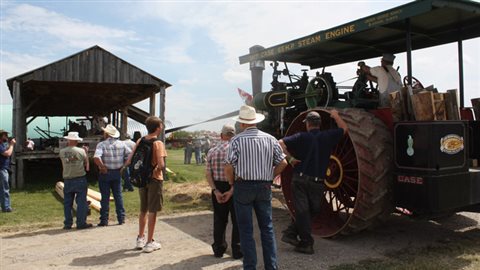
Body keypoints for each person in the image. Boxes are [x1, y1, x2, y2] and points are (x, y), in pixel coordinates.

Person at [225, 105, 288, 270]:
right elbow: (283, 162)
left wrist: (232, 183)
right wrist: (270, 176)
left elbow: (229, 167)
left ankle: (250, 266)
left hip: (243, 185)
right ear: (255, 122)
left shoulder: (236, 140)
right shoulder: (270, 139)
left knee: (246, 230)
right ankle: (271, 266)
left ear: (243, 123)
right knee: (267, 229)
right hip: (264, 186)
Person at [279, 110, 348, 254]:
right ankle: (306, 243)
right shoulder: (327, 136)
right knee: (305, 211)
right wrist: (336, 116)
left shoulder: (300, 137)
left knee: (312, 210)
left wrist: (289, 158)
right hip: (311, 181)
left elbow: (279, 143)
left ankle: (291, 233)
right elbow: (344, 129)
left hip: (304, 180)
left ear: (308, 124)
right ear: (319, 124)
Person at [127, 116, 167, 253]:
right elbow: (161, 165)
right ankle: (150, 242)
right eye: (161, 126)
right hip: (154, 180)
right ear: (157, 128)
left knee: (143, 209)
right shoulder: (158, 143)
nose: (162, 127)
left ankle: (140, 238)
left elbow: (130, 159)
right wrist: (156, 170)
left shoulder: (140, 140)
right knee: (153, 210)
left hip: (141, 179)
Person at [205, 124, 242, 259]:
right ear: (234, 135)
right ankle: (237, 250)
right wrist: (232, 189)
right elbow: (239, 173)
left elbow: (208, 174)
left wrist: (215, 190)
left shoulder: (212, 151)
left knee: (219, 219)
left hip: (218, 186)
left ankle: (218, 249)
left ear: (221, 136)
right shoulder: (238, 151)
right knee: (237, 219)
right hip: (235, 186)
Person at [94, 124, 131, 226]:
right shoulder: (122, 144)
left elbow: (96, 158)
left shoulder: (101, 145)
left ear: (106, 133)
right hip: (117, 172)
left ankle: (104, 220)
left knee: (105, 197)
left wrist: (102, 167)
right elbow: (130, 155)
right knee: (118, 196)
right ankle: (121, 218)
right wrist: (124, 166)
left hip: (105, 173)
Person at [59, 132, 92, 230]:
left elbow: (63, 164)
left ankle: (68, 223)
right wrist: (86, 152)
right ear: (77, 141)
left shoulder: (62, 152)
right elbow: (87, 167)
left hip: (68, 178)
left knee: (67, 203)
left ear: (68, 140)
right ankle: (81, 223)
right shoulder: (81, 151)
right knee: (81, 202)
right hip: (79, 178)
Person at [0, 130, 15, 213]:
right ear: (1, 136)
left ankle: (4, 206)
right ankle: (6, 208)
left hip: (3, 168)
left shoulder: (2, 144)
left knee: (2, 189)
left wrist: (9, 144)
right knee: (5, 189)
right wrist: (12, 145)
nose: (6, 137)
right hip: (2, 169)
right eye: (5, 135)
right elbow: (7, 153)